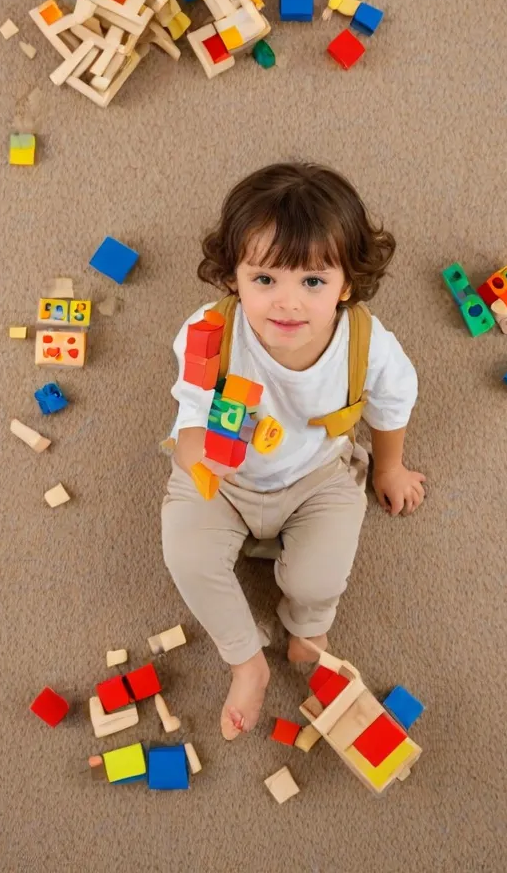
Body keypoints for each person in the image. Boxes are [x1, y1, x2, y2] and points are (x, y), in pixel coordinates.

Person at [161, 161, 426, 740]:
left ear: (347, 285)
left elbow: (392, 404)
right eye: (265, 280)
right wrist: (197, 453)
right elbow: (189, 416)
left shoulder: (368, 345)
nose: (288, 304)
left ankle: (305, 625)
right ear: (233, 277)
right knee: (187, 556)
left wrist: (389, 465)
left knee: (319, 579)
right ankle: (245, 660)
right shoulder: (208, 333)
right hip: (223, 482)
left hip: (317, 475)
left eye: (312, 282)